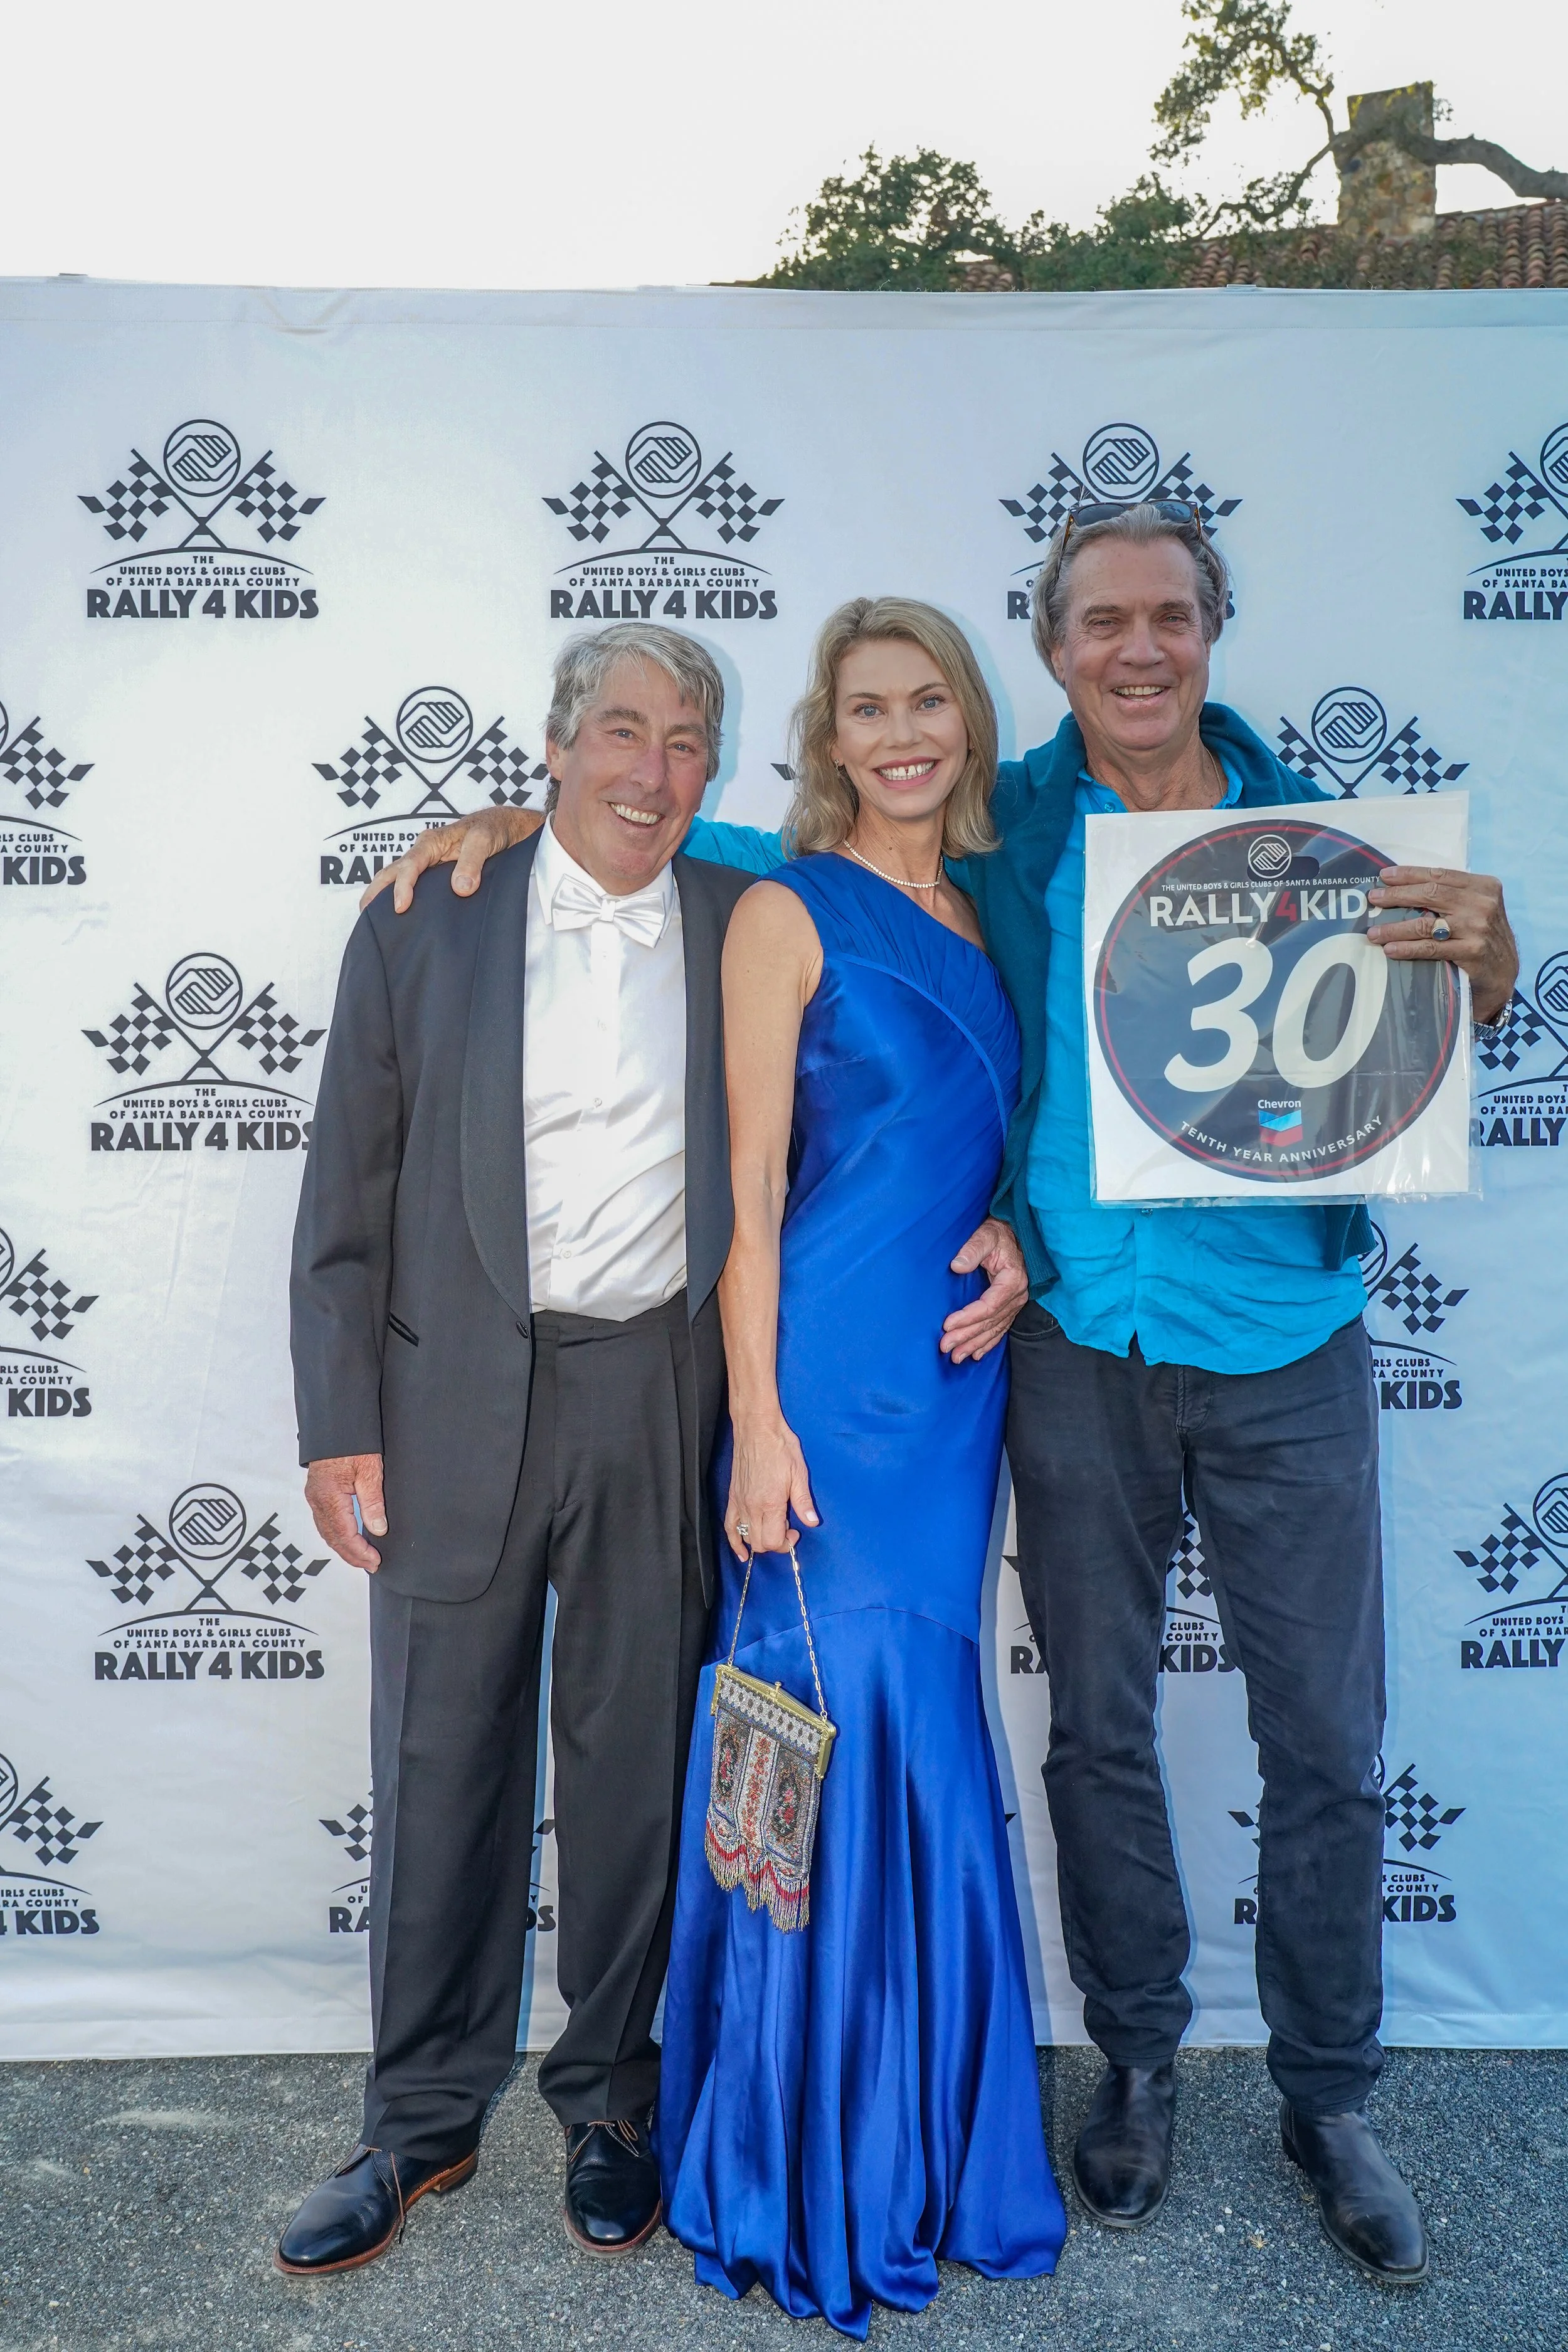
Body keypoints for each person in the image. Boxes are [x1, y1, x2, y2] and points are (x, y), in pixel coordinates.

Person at [371, 504, 1519, 2290]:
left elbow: (1364, 1035)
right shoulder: (943, 855)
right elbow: (722, 883)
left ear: (1207, 629)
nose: (1132, 650)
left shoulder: (1307, 837)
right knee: (972, 1719)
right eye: (1094, 624)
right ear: (1043, 657)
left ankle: (1312, 2092)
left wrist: (1487, 952)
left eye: (1163, 618)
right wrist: (547, 806)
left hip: (1186, 1341)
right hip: (949, 1359)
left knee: (1282, 1736)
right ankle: (965, 2089)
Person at [280, 619, 1025, 2283]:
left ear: (721, 765)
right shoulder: (431, 920)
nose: (650, 768)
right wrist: (336, 1424)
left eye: (686, 739)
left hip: (654, 1393)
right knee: (440, 1763)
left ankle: (611, 2102)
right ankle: (415, 2120)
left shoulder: (736, 909)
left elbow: (858, 986)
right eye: (619, 730)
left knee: (632, 1775)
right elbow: (345, 1190)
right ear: (553, 748)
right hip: (451, 1390)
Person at [660, 597, 1065, 2336]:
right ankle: (782, 2149)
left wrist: (1015, 1237)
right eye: (863, 709)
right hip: (818, 1365)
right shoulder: (779, 907)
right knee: (796, 1707)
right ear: (824, 741)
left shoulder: (997, 913)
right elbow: (748, 1194)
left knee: (921, 1709)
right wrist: (755, 1417)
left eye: (925, 702)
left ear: (966, 723)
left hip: (950, 1382)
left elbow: (1009, 1140)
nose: (899, 733)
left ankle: (933, 2143)